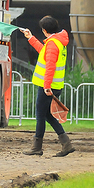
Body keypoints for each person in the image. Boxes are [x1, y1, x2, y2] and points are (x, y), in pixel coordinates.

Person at [21, 16, 75, 157]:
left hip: (48, 86)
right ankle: (66, 144)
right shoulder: (57, 42)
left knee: (41, 115)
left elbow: (50, 66)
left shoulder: (52, 43)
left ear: (44, 30)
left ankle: (37, 147)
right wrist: (31, 38)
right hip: (55, 85)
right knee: (47, 115)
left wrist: (46, 86)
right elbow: (43, 52)